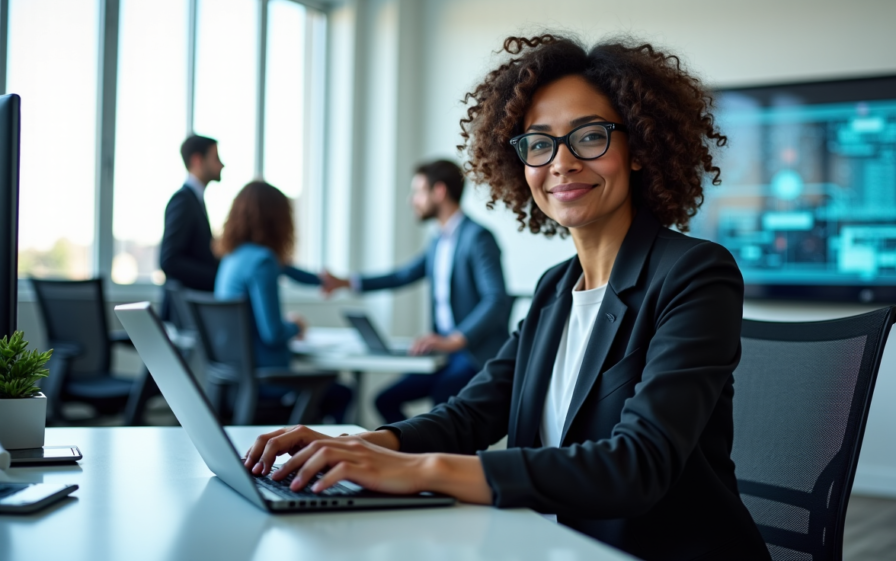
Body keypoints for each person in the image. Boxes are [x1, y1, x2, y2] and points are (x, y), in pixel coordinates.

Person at [243, 34, 770, 561]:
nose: (560, 163)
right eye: (539, 143)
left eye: (589, 136)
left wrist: (420, 471)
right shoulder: (554, 290)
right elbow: (469, 415)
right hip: (551, 545)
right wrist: (364, 445)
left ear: (639, 148)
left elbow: (636, 465)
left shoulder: (695, 273)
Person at [321, 160, 511, 424]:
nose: (412, 200)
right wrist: (346, 283)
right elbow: (403, 275)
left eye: (418, 191)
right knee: (385, 400)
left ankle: (436, 460)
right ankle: (413, 456)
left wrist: (455, 339)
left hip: (471, 354)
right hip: (443, 354)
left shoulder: (478, 237)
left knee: (443, 401)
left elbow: (496, 300)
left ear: (439, 192)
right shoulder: (438, 241)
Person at [215, 181, 352, 423]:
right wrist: (297, 325)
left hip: (235, 383)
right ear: (278, 220)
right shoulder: (263, 260)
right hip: (269, 382)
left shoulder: (231, 260)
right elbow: (273, 333)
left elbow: (291, 271)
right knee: (342, 393)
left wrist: (325, 281)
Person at [159, 135, 223, 320]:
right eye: (216, 158)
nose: (222, 165)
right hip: (182, 314)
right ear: (197, 160)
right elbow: (169, 261)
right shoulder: (183, 201)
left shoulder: (195, 200)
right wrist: (218, 277)